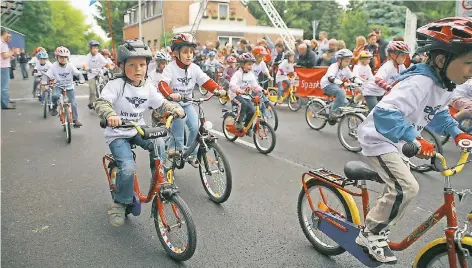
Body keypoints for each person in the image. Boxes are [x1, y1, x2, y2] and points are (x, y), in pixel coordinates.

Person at [356, 17, 472, 264]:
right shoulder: (420, 82)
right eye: (469, 64)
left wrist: (456, 132)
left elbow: (438, 113)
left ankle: (378, 221)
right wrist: (415, 138)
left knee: (400, 187)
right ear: (442, 60)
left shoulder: (445, 84)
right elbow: (385, 113)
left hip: (399, 141)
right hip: (380, 138)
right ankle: (371, 232)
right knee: (406, 187)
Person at [95, 39, 185, 227]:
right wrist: (110, 115)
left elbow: (160, 104)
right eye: (132, 65)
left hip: (137, 128)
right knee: (127, 168)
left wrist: (172, 108)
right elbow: (102, 102)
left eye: (142, 65)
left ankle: (159, 178)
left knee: (159, 141)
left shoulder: (147, 86)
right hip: (118, 133)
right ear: (122, 66)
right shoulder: (116, 84)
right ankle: (120, 202)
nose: (138, 69)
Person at [157, 33, 226, 167]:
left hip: (188, 102)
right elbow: (162, 84)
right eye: (185, 52)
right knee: (180, 118)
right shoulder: (170, 68)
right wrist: (171, 94)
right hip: (174, 102)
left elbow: (205, 81)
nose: (189, 55)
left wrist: (218, 90)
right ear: (176, 53)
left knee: (196, 127)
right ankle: (175, 148)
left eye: (191, 52)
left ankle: (191, 154)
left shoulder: (195, 68)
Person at [362, 41, 410, 111]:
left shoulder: (401, 66)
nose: (404, 57)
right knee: (376, 113)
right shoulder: (388, 66)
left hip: (381, 92)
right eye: (402, 55)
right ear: (393, 54)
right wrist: (388, 87)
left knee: (388, 111)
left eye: (405, 55)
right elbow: (378, 79)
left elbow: (406, 76)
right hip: (371, 92)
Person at [43, 46, 85, 127]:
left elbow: (78, 73)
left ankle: (75, 120)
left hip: (69, 86)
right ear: (57, 57)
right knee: (55, 95)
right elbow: (47, 75)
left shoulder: (70, 65)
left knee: (73, 103)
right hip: (58, 85)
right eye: (61, 57)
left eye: (65, 57)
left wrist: (81, 79)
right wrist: (44, 81)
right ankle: (54, 106)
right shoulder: (54, 66)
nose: (63, 59)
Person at [320, 49, 362, 120]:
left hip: (335, 85)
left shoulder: (346, 68)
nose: (347, 63)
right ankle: (333, 113)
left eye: (349, 61)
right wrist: (342, 83)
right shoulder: (334, 66)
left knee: (346, 103)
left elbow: (352, 78)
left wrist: (360, 82)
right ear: (339, 60)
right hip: (326, 85)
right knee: (341, 92)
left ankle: (334, 108)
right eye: (346, 61)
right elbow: (331, 78)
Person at [229, 53, 263, 136]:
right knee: (242, 104)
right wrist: (237, 90)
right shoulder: (237, 74)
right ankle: (238, 122)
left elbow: (254, 85)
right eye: (248, 64)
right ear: (242, 64)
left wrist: (262, 90)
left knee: (252, 110)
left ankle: (247, 127)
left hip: (246, 96)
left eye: (251, 65)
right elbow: (232, 84)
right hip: (235, 95)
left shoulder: (251, 74)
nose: (250, 67)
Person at [83, 40, 110, 109]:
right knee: (92, 90)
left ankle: (105, 99)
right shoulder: (88, 56)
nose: (95, 50)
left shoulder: (99, 56)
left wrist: (108, 65)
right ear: (90, 49)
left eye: (96, 48)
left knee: (105, 84)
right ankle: (91, 102)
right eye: (94, 48)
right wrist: (86, 68)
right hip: (91, 74)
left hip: (99, 72)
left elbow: (106, 63)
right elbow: (85, 65)